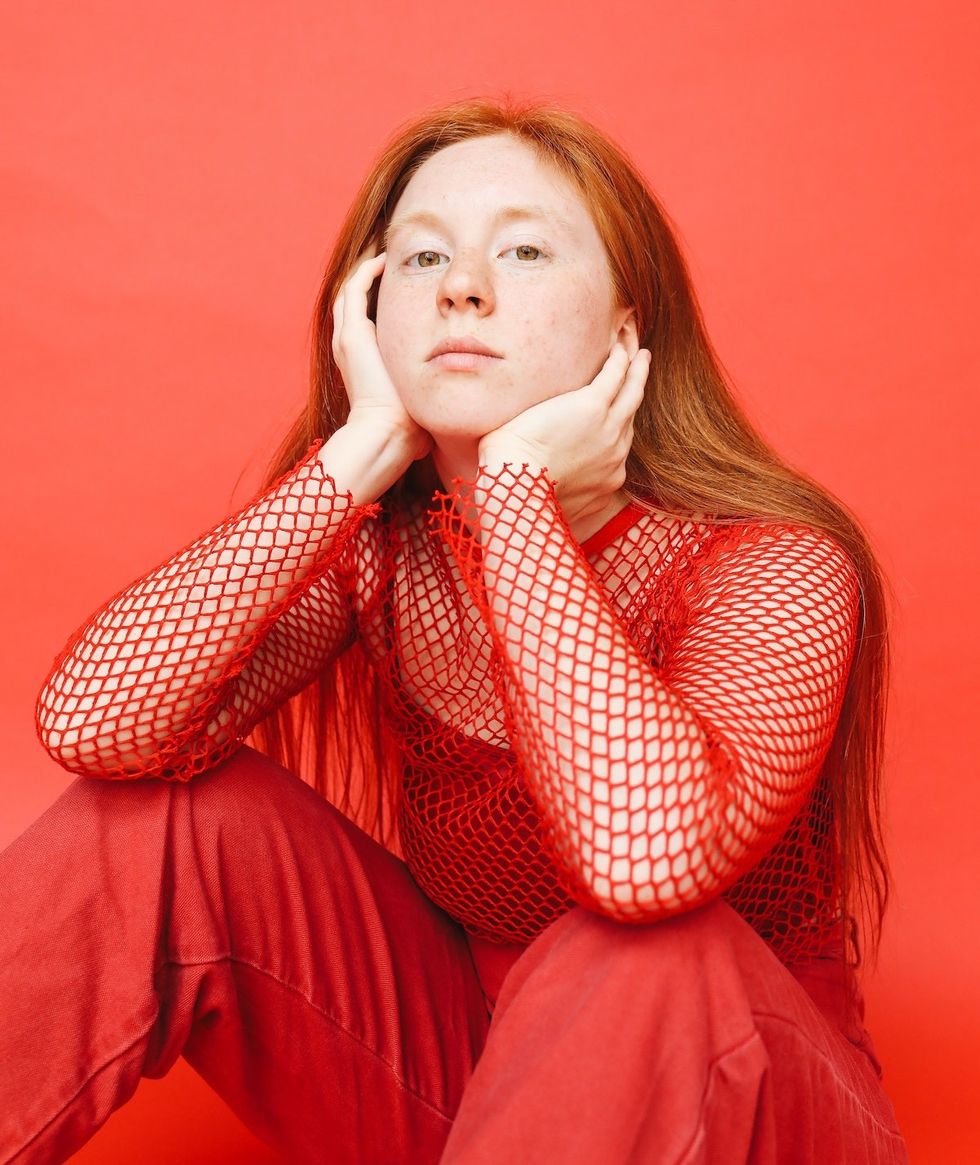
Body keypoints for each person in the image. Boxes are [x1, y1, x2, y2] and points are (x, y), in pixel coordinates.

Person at [1, 96, 910, 1164]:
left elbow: (640, 868)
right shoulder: (382, 553)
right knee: (155, 818)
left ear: (625, 328)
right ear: (368, 313)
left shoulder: (776, 563)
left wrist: (517, 498)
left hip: (737, 1106)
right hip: (477, 1099)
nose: (462, 286)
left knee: (640, 949)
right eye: (420, 258)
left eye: (523, 250)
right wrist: (361, 448)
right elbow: (96, 723)